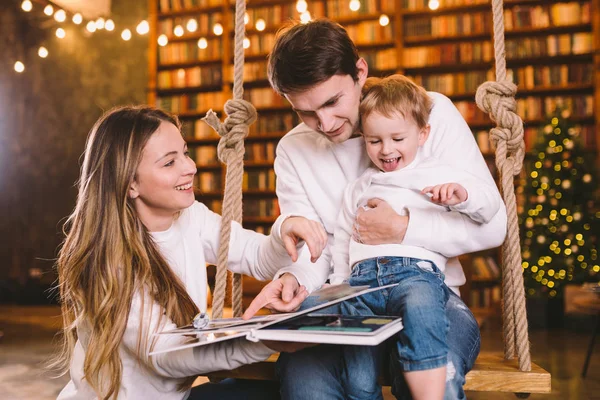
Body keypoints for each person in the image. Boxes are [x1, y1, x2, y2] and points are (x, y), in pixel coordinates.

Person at [245, 19, 507, 400]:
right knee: (306, 383)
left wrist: (402, 229)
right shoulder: (292, 149)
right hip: (346, 296)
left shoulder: (429, 115)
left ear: (360, 72)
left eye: (333, 102)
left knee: (437, 373)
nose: (325, 123)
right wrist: (295, 279)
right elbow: (315, 249)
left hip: (432, 293)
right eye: (305, 112)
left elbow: (492, 227)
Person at [52, 105, 328, 400]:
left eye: (185, 152)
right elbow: (166, 356)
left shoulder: (191, 218)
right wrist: (268, 341)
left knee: (273, 391)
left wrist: (285, 229)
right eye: (170, 163)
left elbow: (258, 257)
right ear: (130, 183)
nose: (190, 167)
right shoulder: (110, 260)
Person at [329, 74, 502, 399]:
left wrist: (461, 195)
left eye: (397, 138)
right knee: (353, 353)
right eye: (374, 140)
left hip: (416, 274)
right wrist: (339, 282)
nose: (386, 150)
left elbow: (490, 206)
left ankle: (429, 389)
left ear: (422, 134)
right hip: (362, 281)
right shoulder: (361, 185)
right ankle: (360, 391)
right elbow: (343, 236)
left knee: (422, 310)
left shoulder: (437, 172)